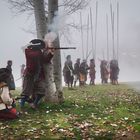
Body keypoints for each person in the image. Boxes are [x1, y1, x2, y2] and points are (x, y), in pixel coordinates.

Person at [20, 39, 54, 109]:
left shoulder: (39, 52)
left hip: (39, 74)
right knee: (26, 92)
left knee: (41, 91)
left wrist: (51, 53)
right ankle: (22, 106)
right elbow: (34, 56)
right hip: (29, 74)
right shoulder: (28, 51)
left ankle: (34, 104)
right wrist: (43, 50)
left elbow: (45, 60)